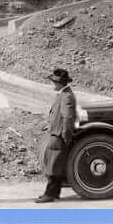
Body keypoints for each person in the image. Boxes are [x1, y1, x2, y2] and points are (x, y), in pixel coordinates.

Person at [35, 68, 77, 203]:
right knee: (54, 164)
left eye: (53, 82)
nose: (52, 84)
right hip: (56, 132)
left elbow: (68, 117)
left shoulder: (66, 96)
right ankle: (52, 193)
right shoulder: (62, 94)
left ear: (59, 83)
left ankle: (50, 194)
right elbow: (58, 115)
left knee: (53, 166)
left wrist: (65, 135)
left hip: (58, 135)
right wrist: (50, 125)